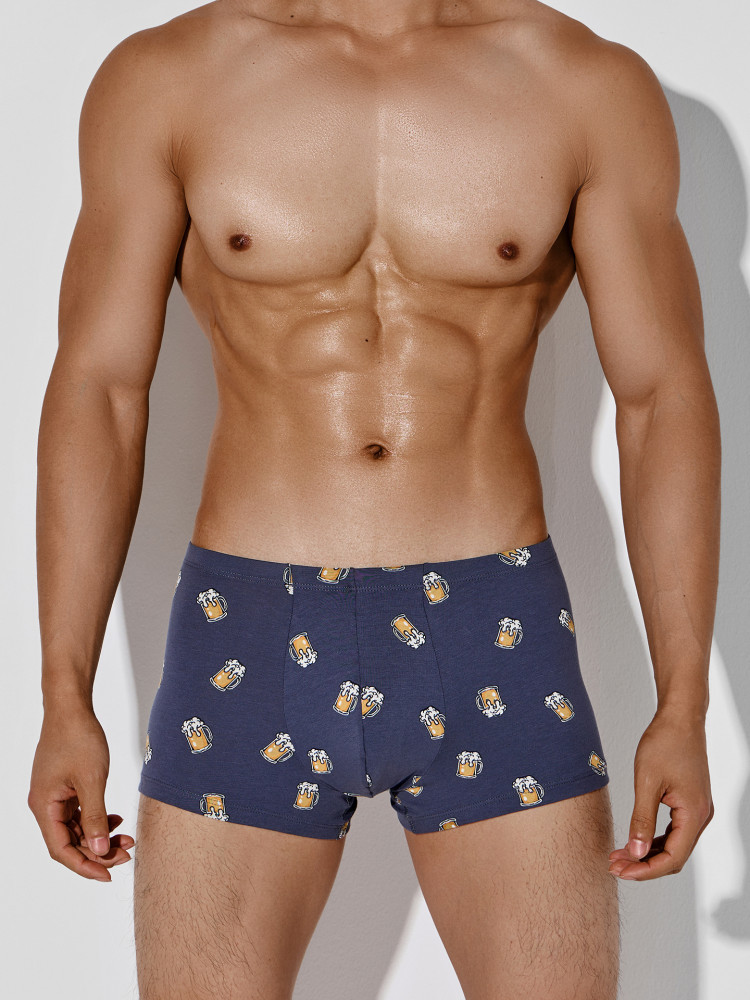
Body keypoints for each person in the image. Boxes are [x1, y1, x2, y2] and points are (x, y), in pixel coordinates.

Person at [28, 1, 719, 997]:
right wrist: (64, 694)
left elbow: (661, 399)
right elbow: (99, 389)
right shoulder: (168, 77)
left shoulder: (583, 85)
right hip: (249, 626)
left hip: (496, 624)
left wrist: (684, 702)